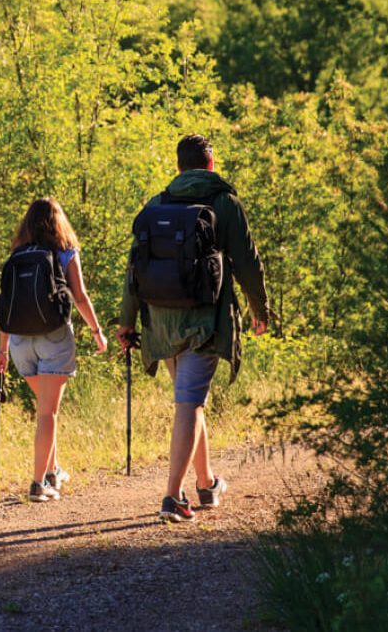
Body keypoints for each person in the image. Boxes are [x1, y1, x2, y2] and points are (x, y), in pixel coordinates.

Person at [117, 134, 271, 522]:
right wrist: (260, 310)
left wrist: (126, 321)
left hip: (161, 322)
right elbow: (248, 262)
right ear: (210, 164)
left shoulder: (157, 203)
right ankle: (172, 497)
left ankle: (206, 483)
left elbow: (134, 269)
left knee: (190, 400)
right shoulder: (224, 202)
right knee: (189, 403)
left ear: (179, 166)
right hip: (205, 320)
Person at [0, 197, 109, 502]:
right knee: (47, 413)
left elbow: (7, 305)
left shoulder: (17, 254)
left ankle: (53, 470)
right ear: (59, 221)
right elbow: (80, 296)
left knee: (45, 410)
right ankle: (37, 484)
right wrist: (97, 332)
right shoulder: (65, 251)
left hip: (19, 342)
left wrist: (2, 350)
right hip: (54, 338)